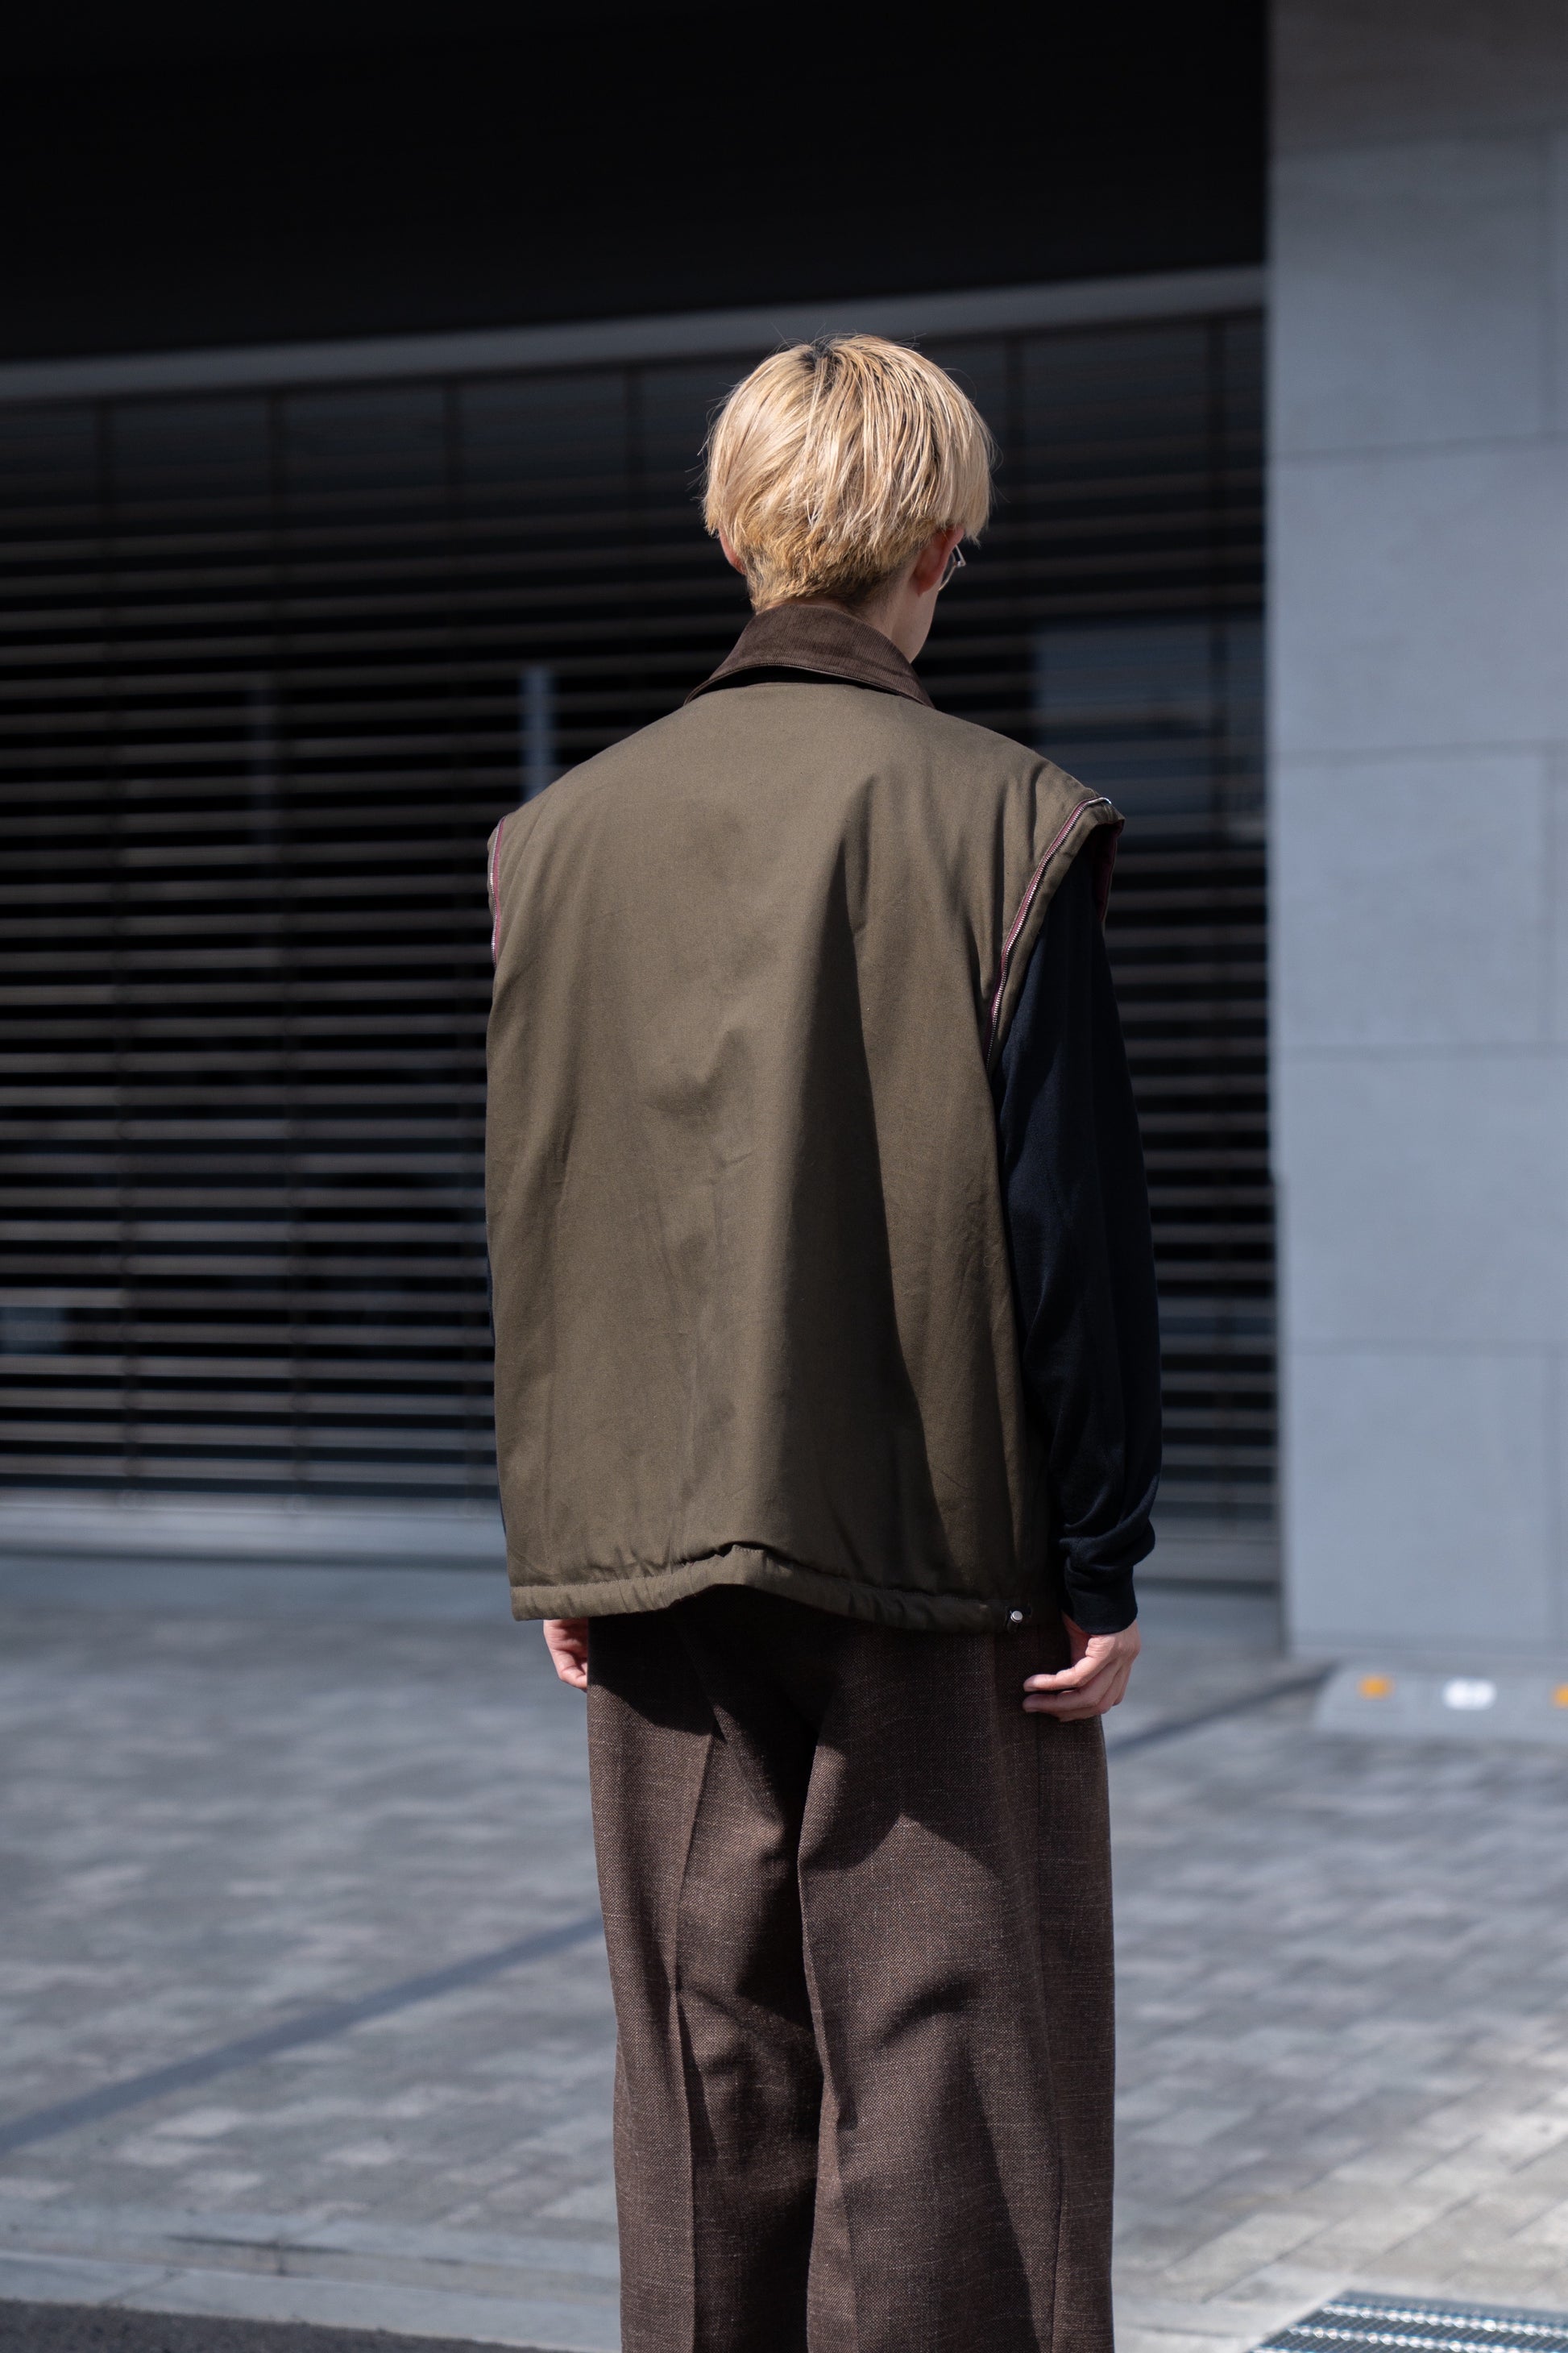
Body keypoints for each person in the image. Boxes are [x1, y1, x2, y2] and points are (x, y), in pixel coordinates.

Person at [485, 335, 1160, 2353]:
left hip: (647, 1548)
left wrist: (563, 1529)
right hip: (941, 1548)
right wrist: (1101, 1548)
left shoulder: (558, 836)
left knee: (708, 2077)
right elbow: (1065, 1220)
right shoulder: (1006, 818)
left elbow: (539, 1187)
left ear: (736, 536)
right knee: (951, 2075)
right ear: (940, 546)